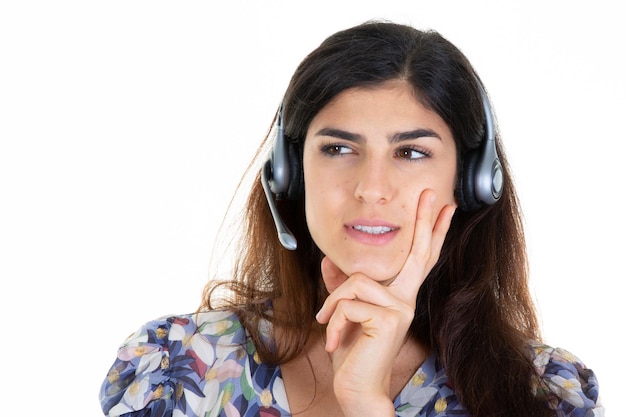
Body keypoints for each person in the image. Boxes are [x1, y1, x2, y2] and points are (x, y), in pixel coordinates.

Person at [99, 20, 602, 417]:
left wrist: (366, 405)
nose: (371, 188)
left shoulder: (545, 395)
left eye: (410, 153)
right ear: (288, 173)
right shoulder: (177, 369)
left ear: (471, 181)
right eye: (339, 148)